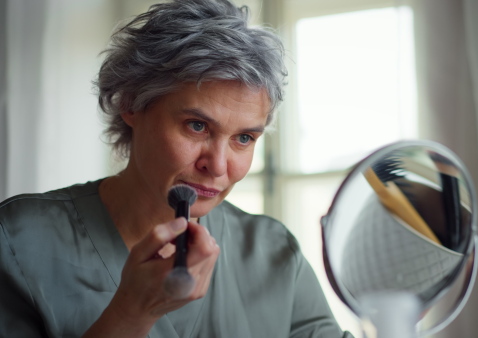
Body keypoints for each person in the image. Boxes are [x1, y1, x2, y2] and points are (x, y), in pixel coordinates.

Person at [0, 0, 351, 337]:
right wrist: (130, 314)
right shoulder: (17, 241)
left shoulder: (274, 254)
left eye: (243, 138)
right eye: (197, 126)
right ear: (131, 104)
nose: (216, 166)